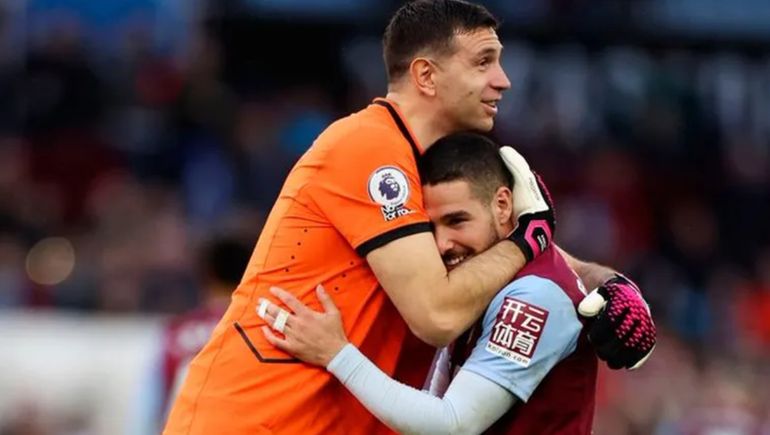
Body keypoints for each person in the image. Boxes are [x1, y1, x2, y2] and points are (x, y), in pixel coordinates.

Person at [164, 1, 654, 434]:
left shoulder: (433, 170)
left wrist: (611, 286)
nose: (503, 80)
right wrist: (527, 241)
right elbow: (437, 313)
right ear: (425, 76)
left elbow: (532, 252)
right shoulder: (369, 147)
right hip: (261, 419)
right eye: (484, 62)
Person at [257, 133, 644, 434]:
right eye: (432, 227)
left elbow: (450, 423)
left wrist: (336, 354)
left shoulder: (535, 295)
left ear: (503, 205)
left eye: (458, 221)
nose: (442, 244)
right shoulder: (486, 281)